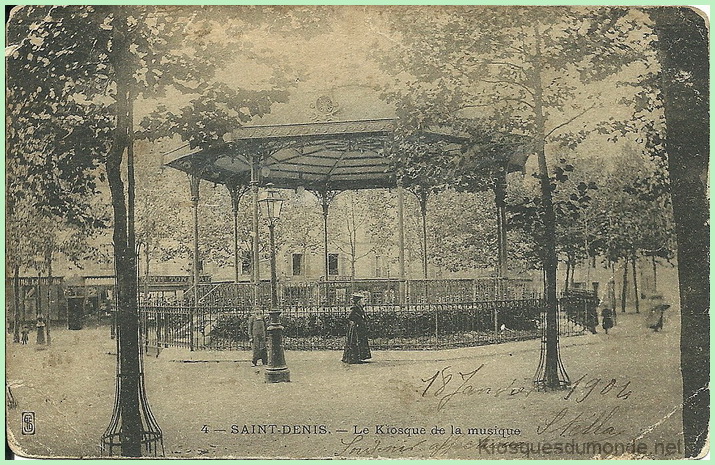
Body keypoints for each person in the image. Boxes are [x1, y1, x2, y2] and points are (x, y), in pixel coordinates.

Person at [342, 293, 371, 364]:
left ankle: (358, 357)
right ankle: (354, 358)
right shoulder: (355, 309)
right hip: (356, 329)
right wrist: (353, 324)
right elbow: (349, 318)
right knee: (355, 342)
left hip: (359, 328)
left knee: (360, 342)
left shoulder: (359, 308)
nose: (364, 301)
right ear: (358, 301)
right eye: (362, 300)